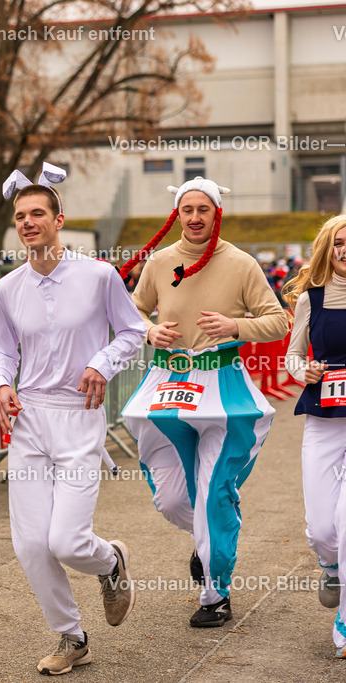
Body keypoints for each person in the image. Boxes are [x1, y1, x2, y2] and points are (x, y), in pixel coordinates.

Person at [0, 164, 143, 676]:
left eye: (38, 214)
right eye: (21, 216)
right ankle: (72, 637)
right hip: (29, 419)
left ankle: (110, 561)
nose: (28, 223)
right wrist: (1, 385)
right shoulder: (7, 288)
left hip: (81, 417)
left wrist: (102, 362)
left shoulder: (99, 275)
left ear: (60, 219)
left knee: (67, 541)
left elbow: (132, 331)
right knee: (31, 544)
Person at [118, 177, 289, 628]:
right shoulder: (159, 262)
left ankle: (216, 593)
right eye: (187, 210)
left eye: (204, 210)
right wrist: (149, 331)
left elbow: (278, 321)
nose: (195, 218)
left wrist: (235, 326)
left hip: (222, 386)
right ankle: (209, 533)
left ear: (217, 214)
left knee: (212, 492)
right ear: (177, 215)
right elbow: (131, 311)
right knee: (174, 499)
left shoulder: (242, 263)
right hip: (168, 385)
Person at [282, 215, 346, 658]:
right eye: (339, 243)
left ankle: (344, 621)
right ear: (328, 248)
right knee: (324, 527)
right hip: (324, 419)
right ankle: (331, 565)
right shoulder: (312, 297)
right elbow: (292, 355)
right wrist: (303, 370)